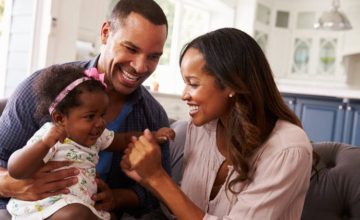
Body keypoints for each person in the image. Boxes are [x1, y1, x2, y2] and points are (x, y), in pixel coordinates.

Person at [0, 0, 170, 218]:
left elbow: (159, 194)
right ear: (106, 33)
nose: (140, 66)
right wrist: (12, 184)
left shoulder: (153, 116)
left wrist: (118, 197)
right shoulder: (42, 90)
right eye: (131, 48)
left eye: (153, 56)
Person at [121, 27, 313, 220]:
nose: (184, 95)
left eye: (193, 84)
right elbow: (187, 210)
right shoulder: (201, 128)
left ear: (231, 84)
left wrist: (157, 177)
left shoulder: (287, 149)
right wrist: (148, 179)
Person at [5, 64, 175, 220]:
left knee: (109, 216)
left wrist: (152, 135)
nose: (100, 122)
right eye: (90, 116)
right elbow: (16, 169)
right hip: (47, 208)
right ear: (60, 118)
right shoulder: (51, 137)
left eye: (102, 115)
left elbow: (123, 139)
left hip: (82, 204)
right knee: (76, 214)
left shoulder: (97, 137)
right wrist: (44, 144)